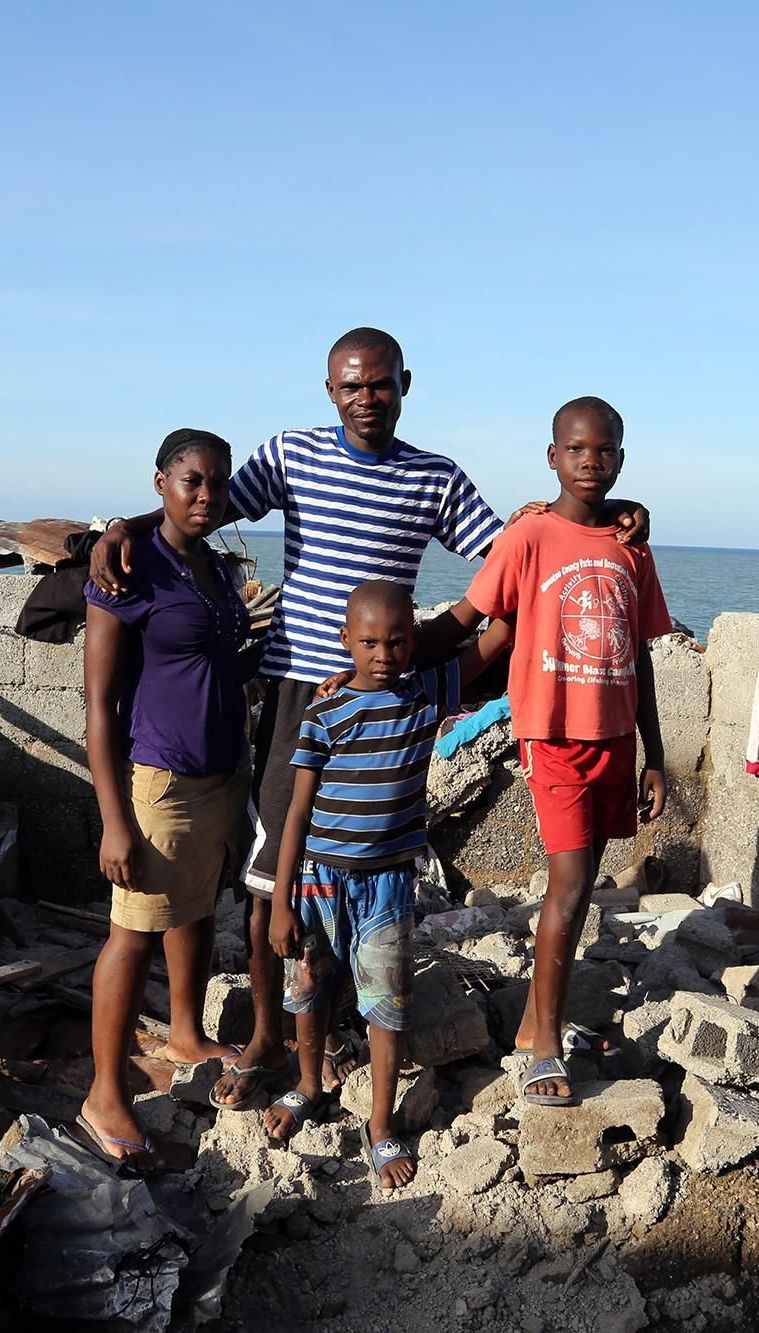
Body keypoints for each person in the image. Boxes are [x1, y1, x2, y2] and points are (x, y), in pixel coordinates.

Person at [87, 328, 649, 1106]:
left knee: (374, 858)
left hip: (389, 694)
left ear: (404, 384)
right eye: (350, 386)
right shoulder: (293, 454)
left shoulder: (434, 478)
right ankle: (268, 1041)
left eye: (379, 385)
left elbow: (517, 553)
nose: (365, 399)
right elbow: (197, 507)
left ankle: (349, 1019)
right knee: (270, 876)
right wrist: (124, 527)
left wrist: (615, 510)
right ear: (329, 391)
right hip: (298, 692)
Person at [415, 396, 670, 1107]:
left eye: (607, 450)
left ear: (621, 458)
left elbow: (641, 655)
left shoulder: (632, 544)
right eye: (578, 449)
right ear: (553, 455)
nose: (593, 462)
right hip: (553, 735)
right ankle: (546, 1048)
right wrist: (399, 663)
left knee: (585, 880)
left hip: (616, 736)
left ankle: (533, 1023)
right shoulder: (527, 537)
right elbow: (469, 621)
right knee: (566, 880)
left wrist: (656, 753)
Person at [259, 579, 509, 1188]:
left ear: (413, 642)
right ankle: (308, 1084)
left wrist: (525, 551)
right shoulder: (325, 714)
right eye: (368, 641)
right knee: (311, 989)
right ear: (345, 640)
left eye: (398, 641)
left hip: (388, 887)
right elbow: (296, 814)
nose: (383, 653)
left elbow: (493, 641)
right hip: (318, 883)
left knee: (387, 1005)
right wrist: (279, 904)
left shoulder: (426, 697)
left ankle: (380, 1126)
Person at [77, 428, 254, 1169]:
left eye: (217, 482)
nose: (206, 495)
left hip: (219, 774)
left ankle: (185, 1030)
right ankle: (105, 1095)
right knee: (134, 931)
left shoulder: (216, 568)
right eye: (190, 481)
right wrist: (114, 818)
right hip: (158, 779)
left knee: (197, 906)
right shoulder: (127, 571)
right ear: (160, 483)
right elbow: (96, 705)